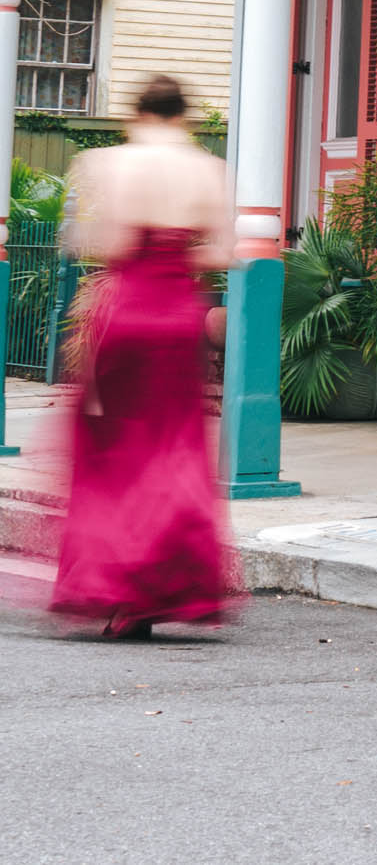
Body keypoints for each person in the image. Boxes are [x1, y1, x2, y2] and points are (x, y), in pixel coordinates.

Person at [47, 76, 235, 638]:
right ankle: (160, 587)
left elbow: (93, 243)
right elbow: (226, 252)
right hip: (178, 315)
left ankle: (112, 585)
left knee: (112, 450)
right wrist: (180, 256)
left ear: (138, 114)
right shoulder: (210, 169)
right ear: (185, 115)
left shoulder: (106, 162)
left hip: (126, 311)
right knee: (172, 446)